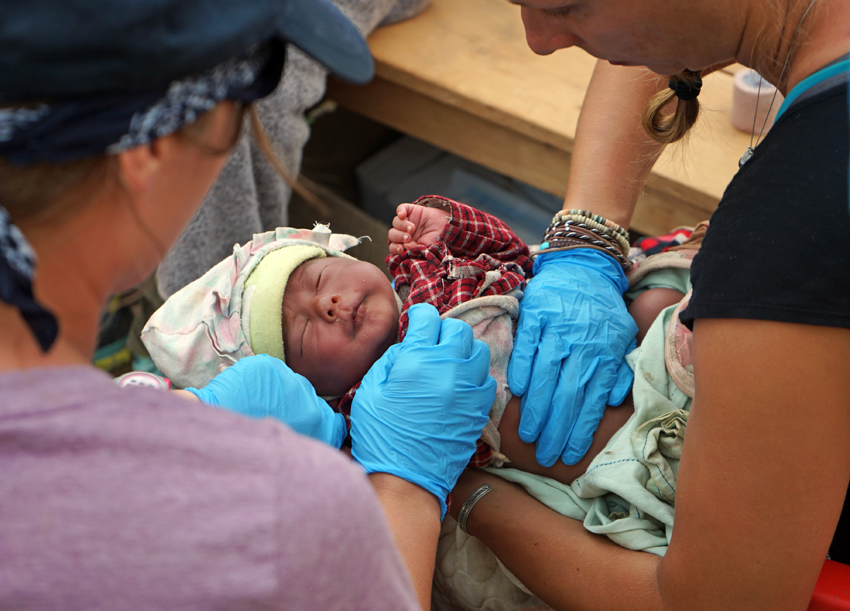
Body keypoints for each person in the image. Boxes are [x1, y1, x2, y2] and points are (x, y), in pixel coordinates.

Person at [0, 1, 498, 609]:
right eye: (245, 105)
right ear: (147, 153)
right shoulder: (278, 508)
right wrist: (404, 490)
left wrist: (179, 411)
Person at [446, 0, 850, 609]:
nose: (539, 41)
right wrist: (587, 237)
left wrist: (463, 494)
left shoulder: (793, 226)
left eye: (562, 4)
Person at [142, 194, 686, 487]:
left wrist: (445, 223)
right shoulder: (370, 414)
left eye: (319, 281)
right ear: (312, 390)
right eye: (305, 331)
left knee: (657, 304)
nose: (327, 305)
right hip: (593, 442)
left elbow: (511, 253)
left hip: (602, 337)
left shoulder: (420, 272)